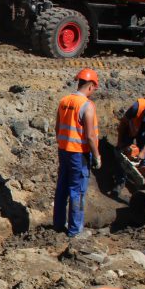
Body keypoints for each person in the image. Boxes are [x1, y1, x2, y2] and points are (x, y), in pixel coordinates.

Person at [54, 68, 101, 238]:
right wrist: (96, 156)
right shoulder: (87, 105)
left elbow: (58, 128)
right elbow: (89, 136)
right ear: (90, 86)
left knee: (62, 188)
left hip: (64, 150)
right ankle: (75, 231)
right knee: (77, 191)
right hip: (79, 154)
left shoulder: (65, 100)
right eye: (94, 89)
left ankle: (58, 224)